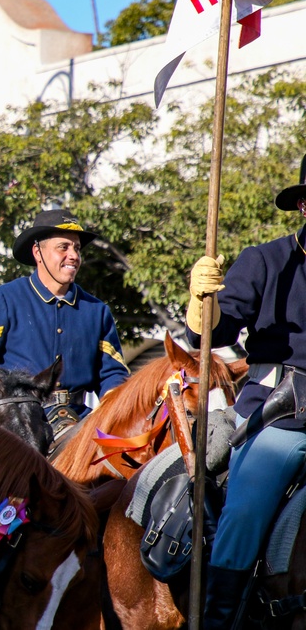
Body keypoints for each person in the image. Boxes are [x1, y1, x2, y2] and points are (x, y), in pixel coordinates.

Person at [187, 154, 306, 629]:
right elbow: (213, 335)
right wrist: (203, 306)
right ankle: (219, 618)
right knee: (247, 509)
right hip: (279, 418)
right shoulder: (264, 261)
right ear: (303, 205)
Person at [0, 208, 129, 420]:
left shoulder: (97, 311)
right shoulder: (3, 299)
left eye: (77, 248)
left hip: (81, 421)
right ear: (38, 253)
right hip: (18, 421)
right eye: (63, 247)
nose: (73, 255)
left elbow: (112, 374)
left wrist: (113, 403)